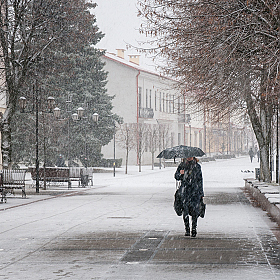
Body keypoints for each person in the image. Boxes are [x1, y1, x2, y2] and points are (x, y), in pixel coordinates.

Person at [174, 157, 204, 237]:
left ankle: (194, 229)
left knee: (195, 211)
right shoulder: (182, 165)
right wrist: (181, 173)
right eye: (188, 156)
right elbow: (176, 176)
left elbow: (200, 180)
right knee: (185, 210)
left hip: (195, 191)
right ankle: (187, 229)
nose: (189, 157)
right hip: (185, 191)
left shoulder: (197, 166)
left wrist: (201, 193)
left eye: (191, 155)